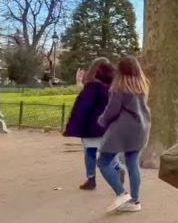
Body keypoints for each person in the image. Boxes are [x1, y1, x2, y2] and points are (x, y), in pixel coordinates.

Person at [97, 56, 151, 213]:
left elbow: (112, 110)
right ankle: (135, 201)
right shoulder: (142, 85)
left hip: (123, 129)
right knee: (132, 162)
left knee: (103, 161)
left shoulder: (119, 87)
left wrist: (101, 120)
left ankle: (122, 194)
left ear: (120, 70)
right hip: (141, 127)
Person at [63, 58, 116, 190]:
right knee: (109, 151)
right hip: (109, 125)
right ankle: (117, 169)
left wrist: (73, 126)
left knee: (90, 151)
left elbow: (83, 105)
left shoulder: (92, 87)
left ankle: (91, 179)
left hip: (92, 126)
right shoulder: (113, 87)